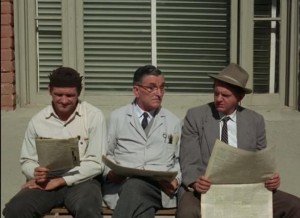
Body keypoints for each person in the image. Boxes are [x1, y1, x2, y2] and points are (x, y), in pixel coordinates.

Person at [177, 63, 300, 218]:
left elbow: (261, 163)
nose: (219, 99)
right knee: (187, 211)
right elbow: (188, 161)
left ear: (240, 97)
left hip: (245, 189)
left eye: (225, 95)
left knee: (295, 206)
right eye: (216, 93)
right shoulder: (196, 116)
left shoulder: (255, 121)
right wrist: (195, 182)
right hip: (206, 189)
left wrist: (271, 178)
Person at [3, 66, 107, 218]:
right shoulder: (38, 121)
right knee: (15, 209)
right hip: (46, 182)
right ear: (49, 90)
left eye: (70, 95)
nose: (64, 100)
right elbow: (27, 160)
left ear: (79, 92)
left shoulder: (93, 116)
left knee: (88, 208)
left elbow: (97, 163)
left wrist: (61, 181)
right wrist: (35, 172)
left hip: (83, 181)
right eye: (58, 94)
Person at [102, 64, 182, 218]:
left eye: (162, 88)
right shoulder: (117, 117)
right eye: (151, 88)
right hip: (122, 185)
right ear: (136, 90)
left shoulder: (172, 121)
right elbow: (105, 154)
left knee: (135, 186)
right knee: (139, 201)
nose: (158, 93)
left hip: (158, 189)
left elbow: (178, 159)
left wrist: (176, 181)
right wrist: (110, 174)